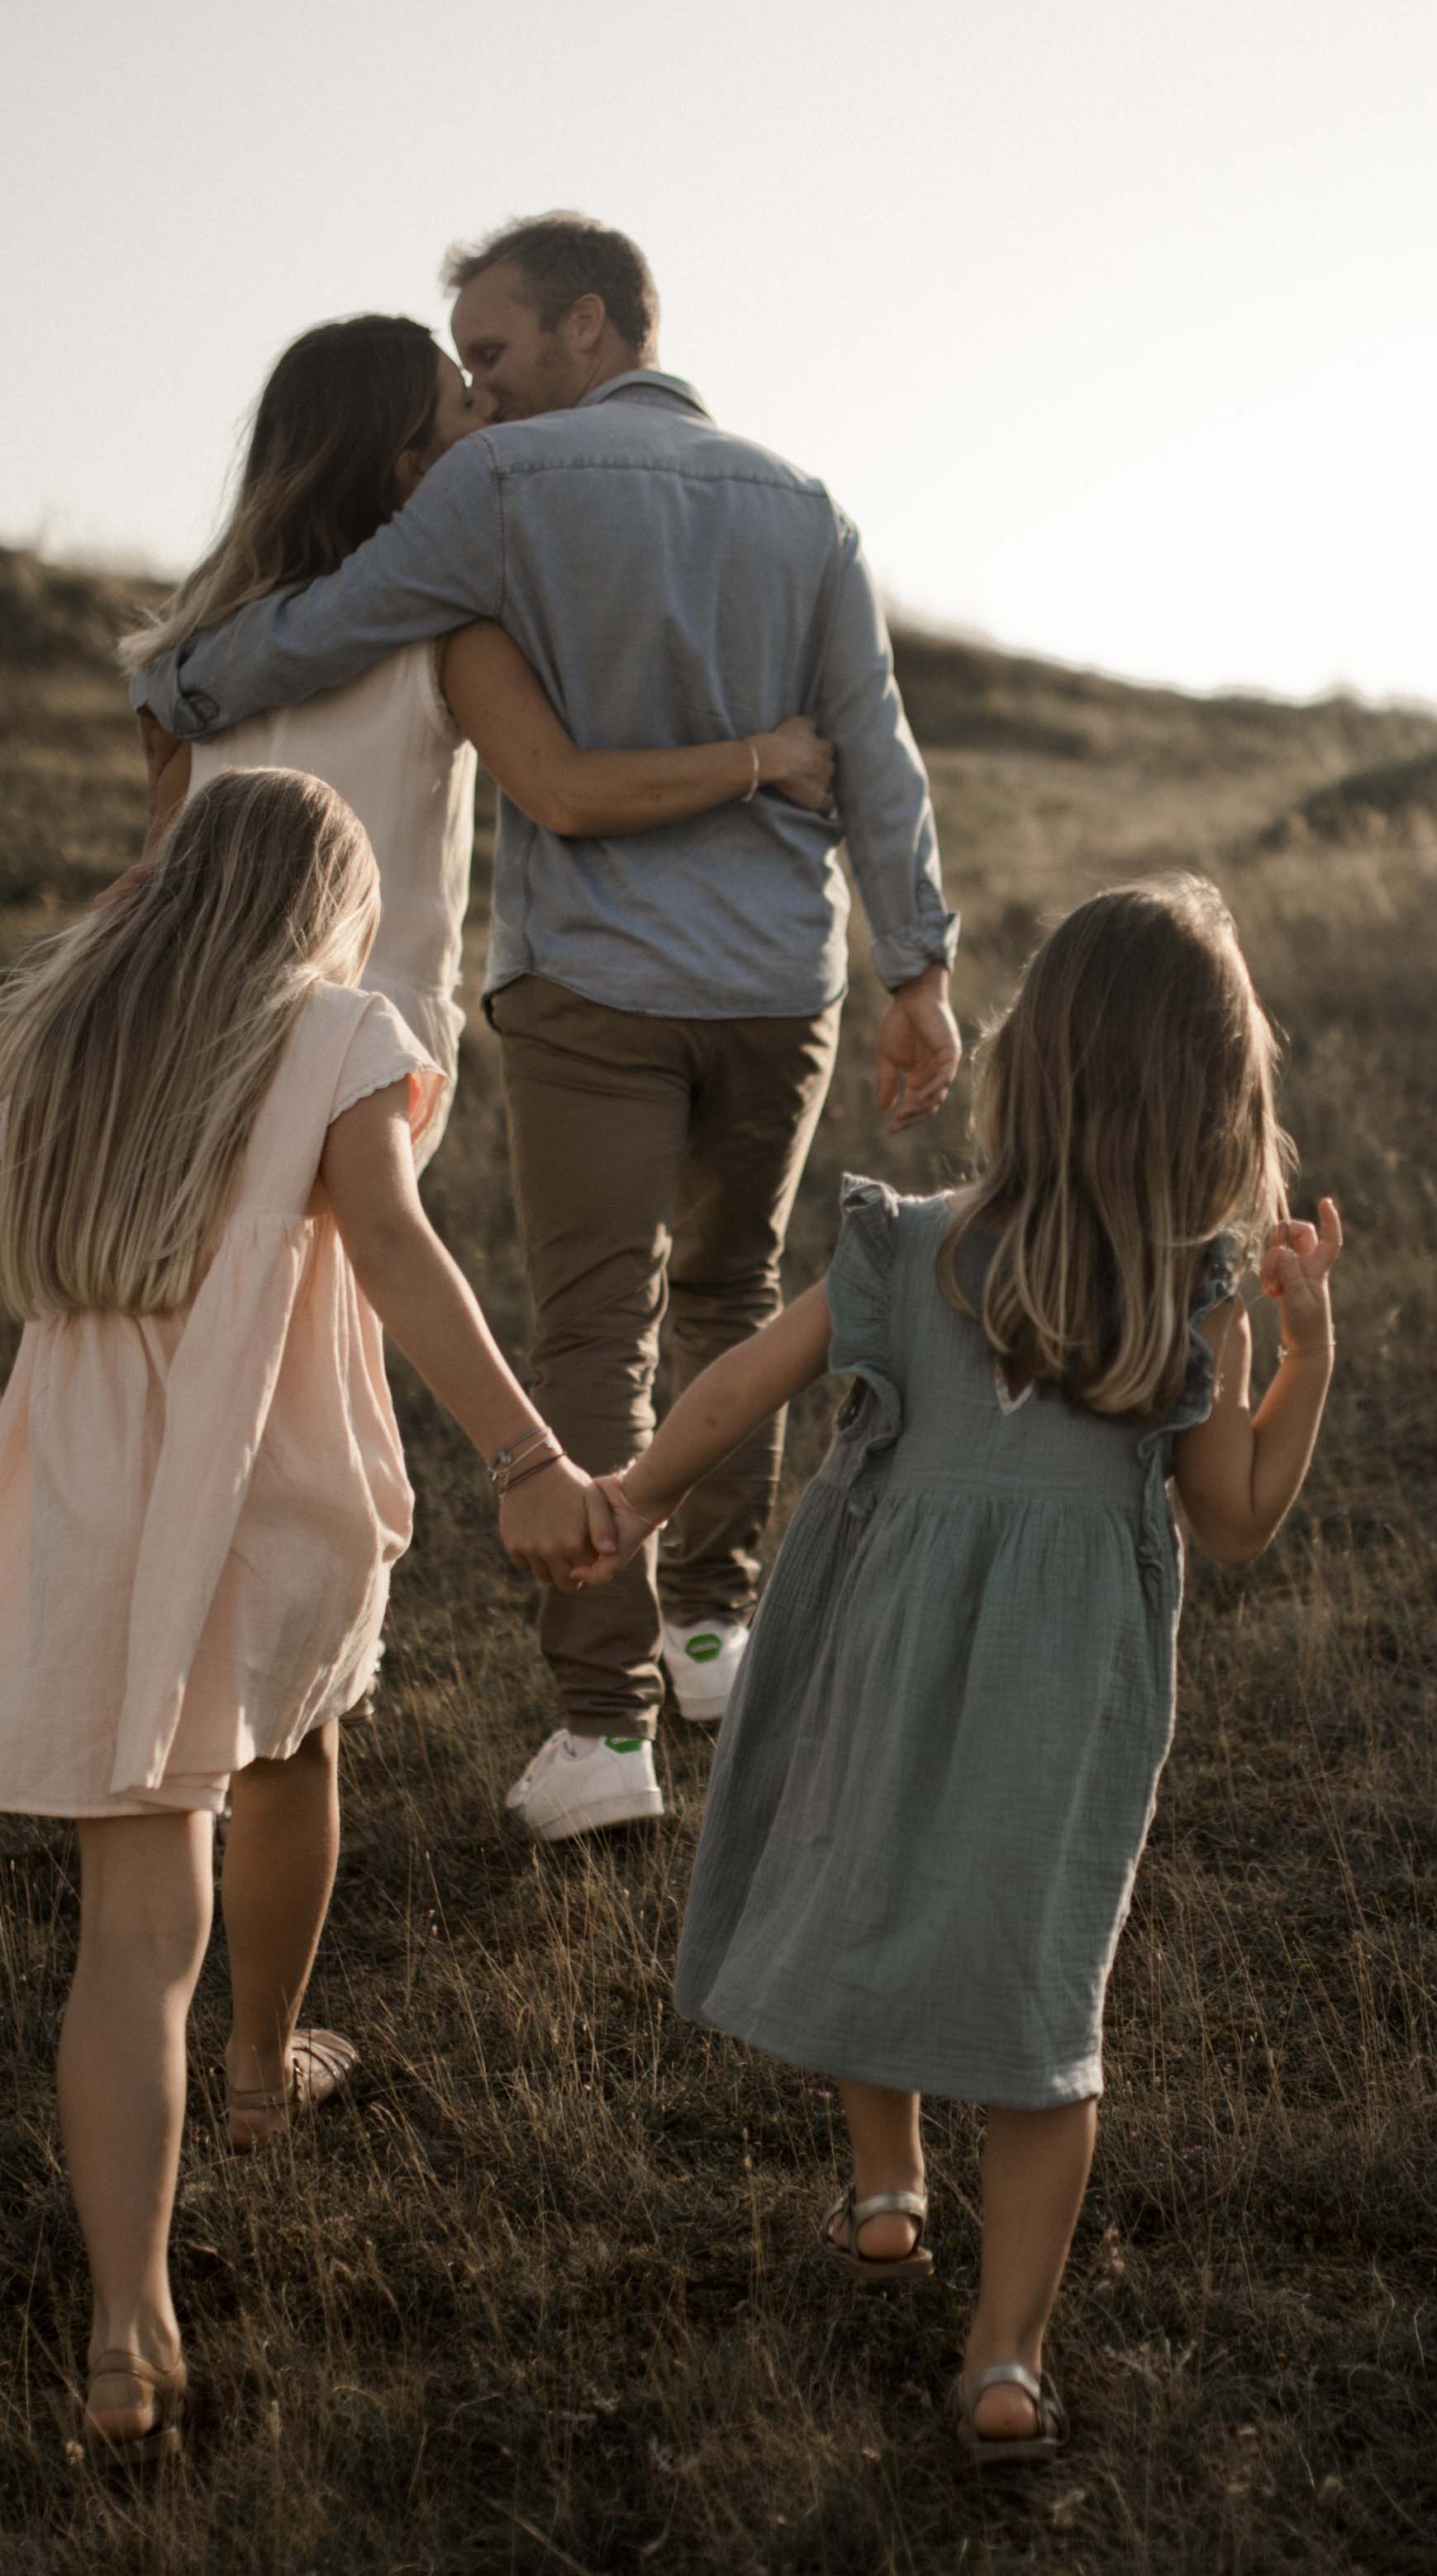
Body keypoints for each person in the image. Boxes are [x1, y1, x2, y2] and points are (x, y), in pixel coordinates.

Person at [133, 213, 964, 1844]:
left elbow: (314, 631)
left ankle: (603, 1730)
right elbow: (876, 744)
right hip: (776, 979)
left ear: (587, 326)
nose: (480, 389)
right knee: (733, 1290)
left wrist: (181, 684)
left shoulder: (493, 489)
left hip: (593, 982)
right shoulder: (805, 505)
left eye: (495, 352)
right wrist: (915, 966)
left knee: (596, 1322)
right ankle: (711, 1635)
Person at [0, 772, 615, 2465]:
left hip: (96, 1480)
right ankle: (263, 2070)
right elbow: (400, 1248)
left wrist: (114, 947)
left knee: (132, 1930)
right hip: (263, 1477)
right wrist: (527, 1447)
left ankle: (126, 2325)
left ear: (170, 888)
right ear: (324, 908)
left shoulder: (78, 1025)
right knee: (296, 1745)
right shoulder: (338, 1026)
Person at [579, 877, 1345, 2465]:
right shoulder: (1185, 1300)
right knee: (1033, 1997)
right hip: (1060, 1707)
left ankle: (881, 2186)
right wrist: (1304, 1355)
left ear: (1032, 1066)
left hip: (881, 1644)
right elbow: (1238, 1522)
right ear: (1216, 1104)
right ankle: (1003, 2356)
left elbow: (737, 1385)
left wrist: (632, 1501)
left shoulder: (914, 1247)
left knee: (871, 1886)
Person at [117, 311, 845, 1159]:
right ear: (412, 471)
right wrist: (766, 757)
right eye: (464, 403)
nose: (490, 413)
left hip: (192, 1023)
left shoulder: (193, 660)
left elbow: (155, 873)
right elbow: (566, 793)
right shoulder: (446, 639)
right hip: (364, 1034)